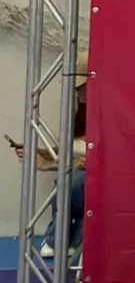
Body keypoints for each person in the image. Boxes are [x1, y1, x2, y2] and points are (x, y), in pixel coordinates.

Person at [10, 51, 88, 260]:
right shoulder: (80, 114)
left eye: (80, 86)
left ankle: (62, 240)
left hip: (103, 177)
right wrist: (37, 153)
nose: (77, 91)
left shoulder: (108, 115)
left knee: (74, 182)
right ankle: (63, 239)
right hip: (81, 174)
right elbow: (68, 153)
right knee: (69, 180)